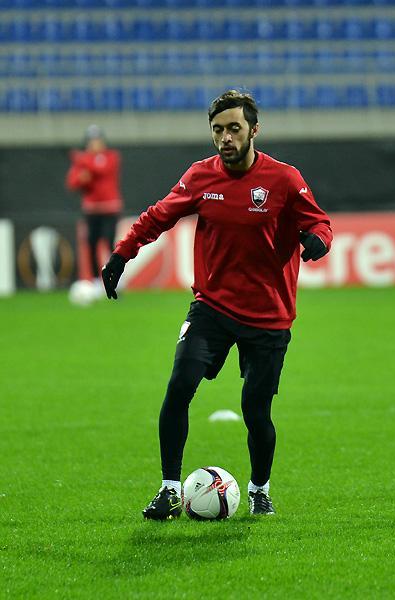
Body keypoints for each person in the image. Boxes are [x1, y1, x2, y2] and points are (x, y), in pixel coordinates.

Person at [101, 90, 333, 520]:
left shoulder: (283, 179)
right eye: (218, 130)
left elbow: (319, 221)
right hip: (212, 307)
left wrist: (318, 240)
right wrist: (122, 253)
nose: (225, 137)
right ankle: (170, 490)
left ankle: (259, 490)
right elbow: (158, 216)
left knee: (256, 411)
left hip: (268, 315)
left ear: (253, 131)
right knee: (179, 386)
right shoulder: (200, 177)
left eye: (234, 128)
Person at [65, 124, 123, 296]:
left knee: (110, 243)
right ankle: (97, 281)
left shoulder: (111, 156)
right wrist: (83, 177)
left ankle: (114, 278)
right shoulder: (85, 161)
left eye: (97, 140)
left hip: (109, 208)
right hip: (91, 210)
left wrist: (81, 160)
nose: (95, 144)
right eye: (92, 141)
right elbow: (73, 182)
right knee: (91, 244)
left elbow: (101, 169)